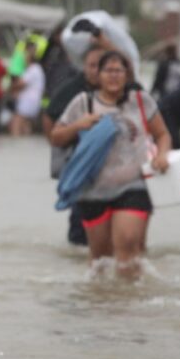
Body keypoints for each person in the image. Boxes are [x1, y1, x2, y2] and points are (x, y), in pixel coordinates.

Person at [50, 50, 172, 279]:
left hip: (134, 186)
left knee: (127, 246)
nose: (113, 76)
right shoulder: (83, 103)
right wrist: (79, 125)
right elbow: (56, 137)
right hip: (93, 190)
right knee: (100, 259)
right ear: (98, 75)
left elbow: (163, 134)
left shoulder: (140, 100)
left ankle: (127, 303)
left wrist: (162, 155)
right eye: (108, 70)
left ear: (128, 74)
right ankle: (101, 306)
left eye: (119, 71)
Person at [43, 45, 105, 246]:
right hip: (80, 166)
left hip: (110, 171)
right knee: (80, 225)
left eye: (100, 66)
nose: (95, 71)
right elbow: (49, 117)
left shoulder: (121, 92)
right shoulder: (73, 91)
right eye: (91, 65)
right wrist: (58, 146)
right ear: (84, 66)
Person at [8, 42, 45, 136]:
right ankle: (24, 145)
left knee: (16, 122)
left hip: (28, 101)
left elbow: (21, 84)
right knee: (25, 124)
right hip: (33, 101)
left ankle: (15, 143)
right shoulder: (36, 69)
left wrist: (10, 88)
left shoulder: (33, 69)